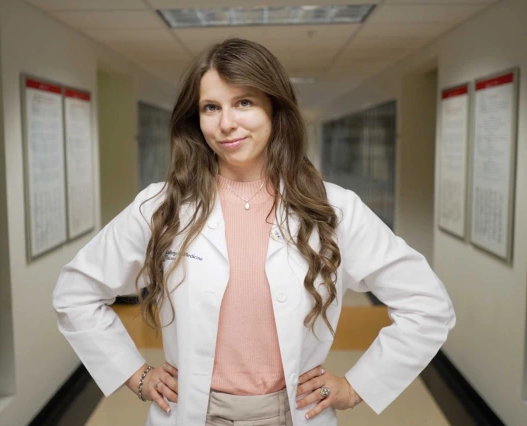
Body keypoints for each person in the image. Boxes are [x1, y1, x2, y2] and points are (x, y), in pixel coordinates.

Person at [53, 38, 456, 426]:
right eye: (211, 107)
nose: (226, 124)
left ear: (274, 109)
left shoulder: (333, 209)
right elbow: (76, 292)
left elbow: (429, 306)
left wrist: (357, 387)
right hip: (192, 412)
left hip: (292, 413)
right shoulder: (162, 206)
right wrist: (136, 375)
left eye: (243, 102)